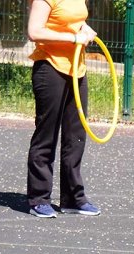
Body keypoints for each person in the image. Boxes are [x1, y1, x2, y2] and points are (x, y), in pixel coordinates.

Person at [26, 0, 100, 218]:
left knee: (76, 136)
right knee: (46, 135)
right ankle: (39, 199)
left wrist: (84, 28)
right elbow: (34, 31)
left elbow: (74, 20)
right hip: (50, 68)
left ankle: (73, 198)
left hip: (76, 70)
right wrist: (73, 38)